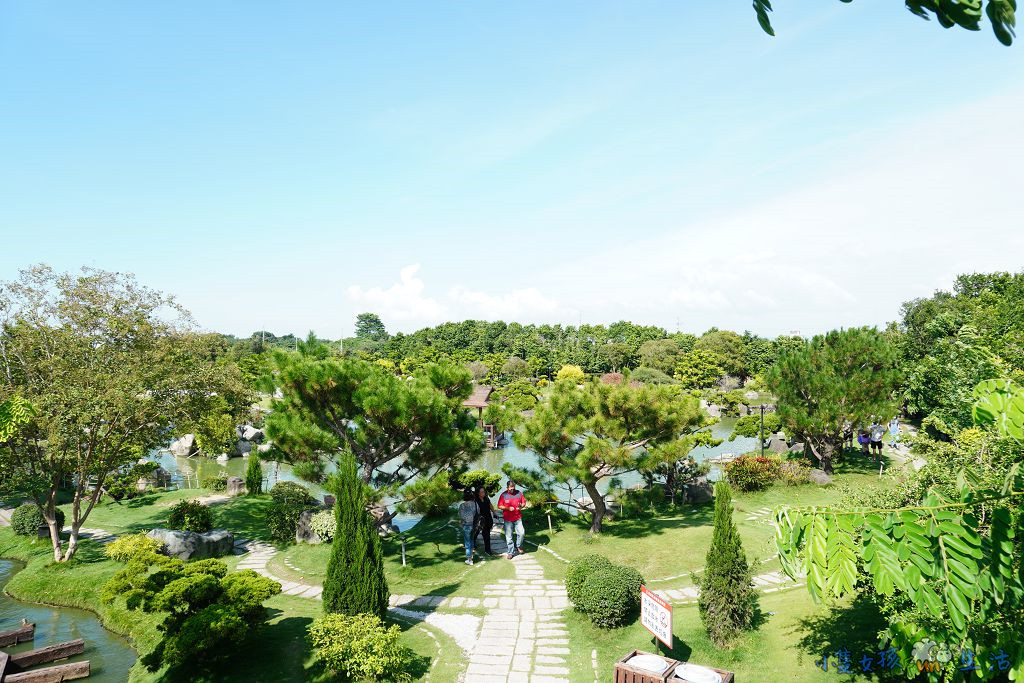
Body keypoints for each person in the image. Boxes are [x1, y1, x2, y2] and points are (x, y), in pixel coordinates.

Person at [497, 479, 526, 559]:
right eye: (510, 487)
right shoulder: (503, 495)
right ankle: (510, 552)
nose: (512, 489)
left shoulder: (519, 493)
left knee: (521, 533)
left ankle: (519, 546)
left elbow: (523, 502)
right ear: (507, 487)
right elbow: (499, 506)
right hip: (508, 519)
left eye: (513, 487)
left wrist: (522, 506)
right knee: (509, 536)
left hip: (518, 518)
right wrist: (508, 508)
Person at [458, 488, 479, 566]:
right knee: (472, 540)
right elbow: (478, 512)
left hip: (466, 526)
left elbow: (461, 516)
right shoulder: (475, 504)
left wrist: (462, 522)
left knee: (467, 543)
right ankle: (472, 555)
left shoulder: (462, 506)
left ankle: (469, 559)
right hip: (474, 525)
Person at [475, 485, 496, 555]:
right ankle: (474, 542)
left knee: (486, 534)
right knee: (477, 532)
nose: (483, 493)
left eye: (484, 492)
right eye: (481, 492)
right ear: (478, 493)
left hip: (488, 519)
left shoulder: (486, 498)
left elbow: (490, 505)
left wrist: (494, 512)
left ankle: (487, 550)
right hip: (480, 520)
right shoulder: (475, 500)